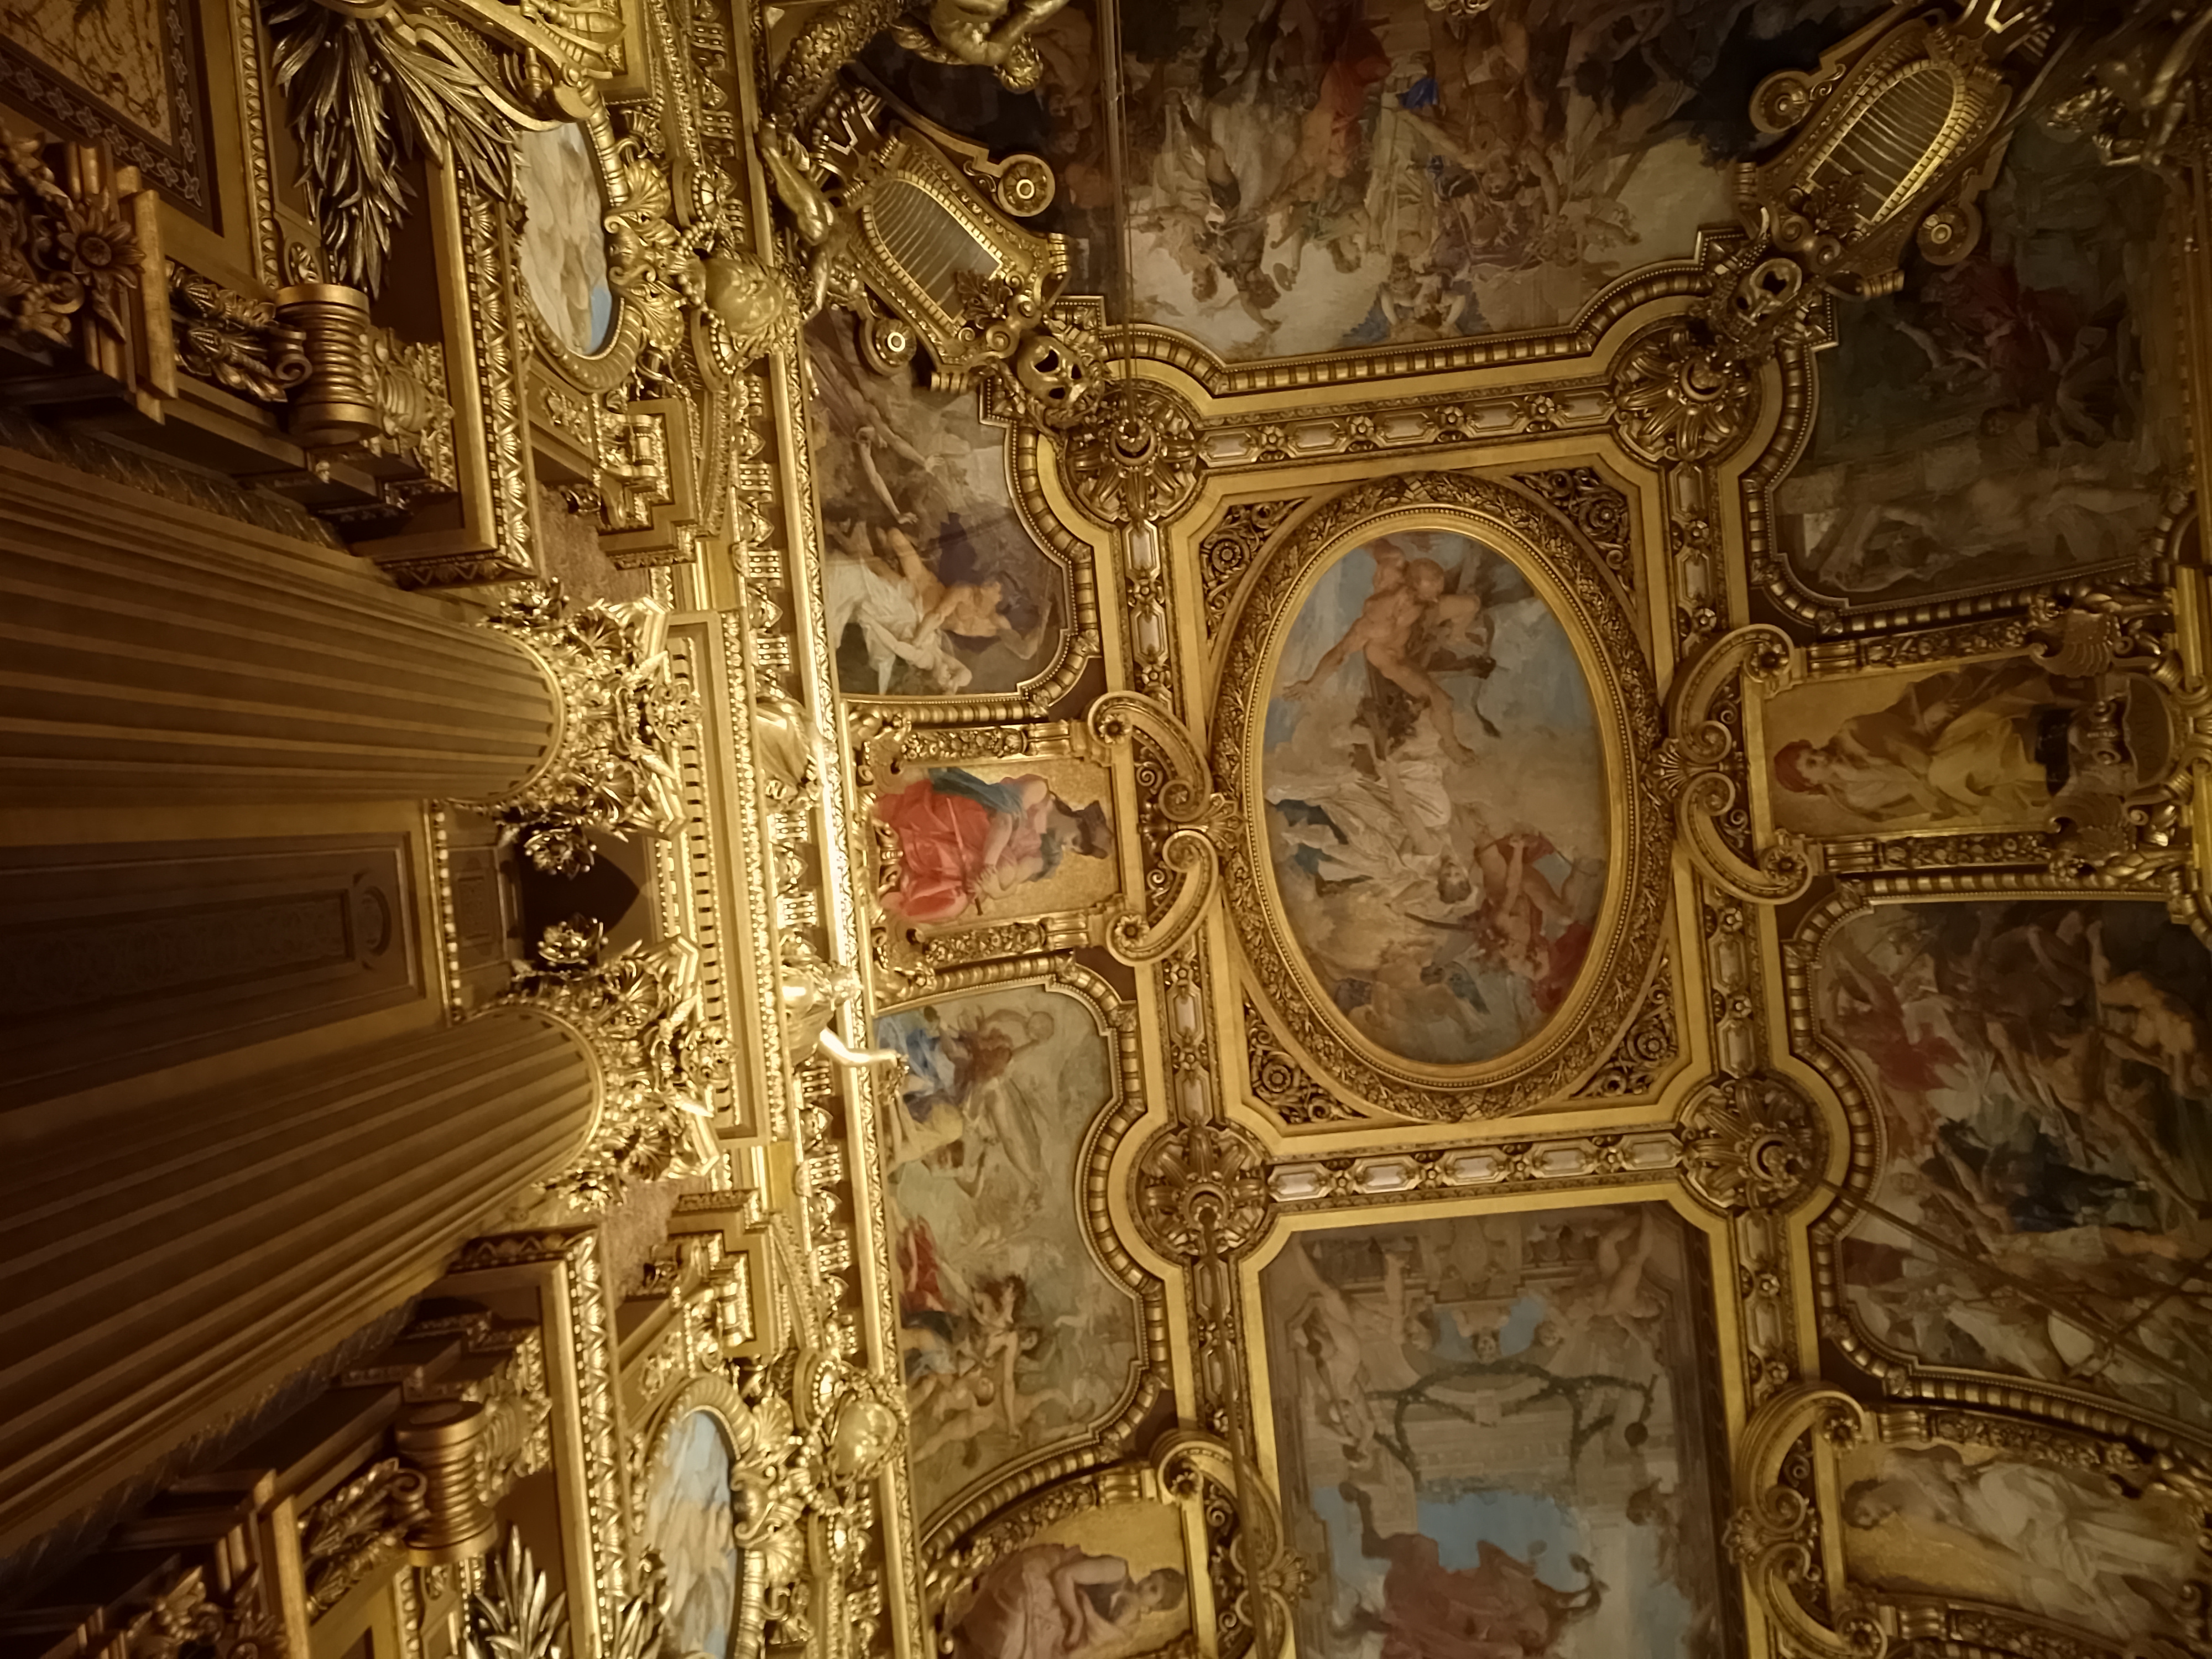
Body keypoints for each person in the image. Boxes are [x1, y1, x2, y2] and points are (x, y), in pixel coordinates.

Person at [1772, 658, 2074, 826]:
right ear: (1811, 783)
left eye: (1813, 752)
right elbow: (1917, 790)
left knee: (1948, 768)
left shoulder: (1853, 733)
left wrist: (1927, 721)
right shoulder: (1853, 800)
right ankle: (2048, 762)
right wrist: (1861, 775)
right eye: (1813, 763)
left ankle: (2045, 743)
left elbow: (1910, 742)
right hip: (1941, 790)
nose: (1821, 756)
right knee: (1949, 777)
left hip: (1934, 745)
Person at [874, 768, 1113, 923]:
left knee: (957, 902)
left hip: (979, 860)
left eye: (1076, 850)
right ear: (1078, 821)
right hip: (970, 814)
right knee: (975, 861)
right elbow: (1003, 820)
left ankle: (892, 895)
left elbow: (1015, 880)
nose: (1068, 846)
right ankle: (902, 853)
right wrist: (987, 866)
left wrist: (993, 887)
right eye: (1076, 841)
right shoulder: (1039, 793)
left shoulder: (1048, 854)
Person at [951, 1545, 1187, 1659]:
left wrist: (1085, 1616)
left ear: (1155, 1607)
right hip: (1042, 1583)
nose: (1145, 1585)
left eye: (1153, 1590)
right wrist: (1077, 1617)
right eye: (1150, 1578)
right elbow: (1063, 1576)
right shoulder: (1117, 1570)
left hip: (1056, 1632)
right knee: (1011, 1635)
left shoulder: (1129, 1629)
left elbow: (1084, 1649)